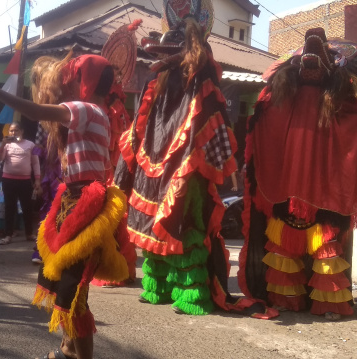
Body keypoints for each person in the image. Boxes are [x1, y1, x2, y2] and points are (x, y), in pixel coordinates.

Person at [0, 54, 129, 359]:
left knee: (74, 291)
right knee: (67, 281)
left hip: (83, 203)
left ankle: (79, 356)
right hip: (79, 199)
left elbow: (36, 111)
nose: (68, 81)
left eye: (73, 76)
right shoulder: (99, 111)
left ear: (84, 81)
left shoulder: (84, 109)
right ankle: (67, 349)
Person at [114, 0, 273, 318]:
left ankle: (191, 292)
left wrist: (224, 164)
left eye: (174, 50)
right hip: (155, 163)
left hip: (188, 164)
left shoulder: (202, 79)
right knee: (153, 223)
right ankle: (157, 286)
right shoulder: (155, 82)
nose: (164, 56)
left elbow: (215, 117)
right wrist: (128, 163)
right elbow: (142, 124)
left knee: (186, 224)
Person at [237, 28, 357, 320]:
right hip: (300, 189)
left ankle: (314, 302)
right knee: (296, 244)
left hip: (307, 189)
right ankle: (309, 302)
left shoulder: (326, 102)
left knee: (310, 244)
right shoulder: (297, 99)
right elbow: (265, 114)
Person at [0, 121, 40, 245]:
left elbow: (35, 163)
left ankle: (29, 233)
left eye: (16, 130)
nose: (13, 133)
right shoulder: (7, 145)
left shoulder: (31, 145)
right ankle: (8, 235)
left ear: (22, 131)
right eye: (11, 131)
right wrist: (3, 145)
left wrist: (37, 179)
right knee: (9, 207)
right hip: (8, 180)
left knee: (27, 207)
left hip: (25, 181)